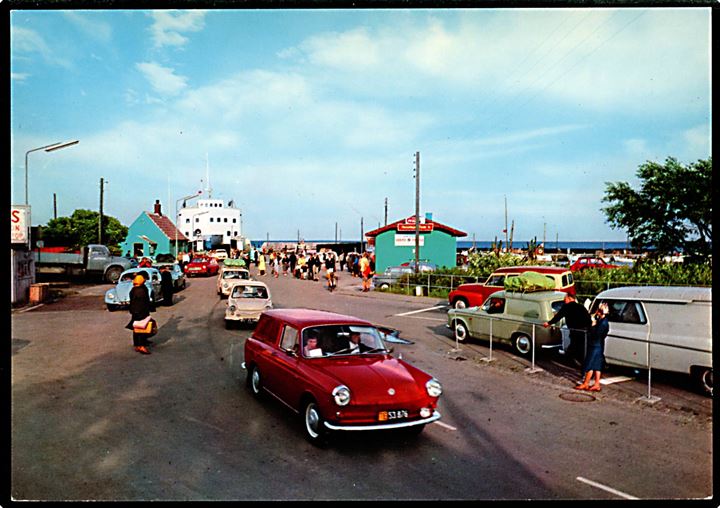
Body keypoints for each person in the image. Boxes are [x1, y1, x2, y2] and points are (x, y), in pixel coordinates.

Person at [543, 293, 592, 364]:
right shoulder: (581, 307)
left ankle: (577, 362)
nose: (564, 300)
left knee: (574, 346)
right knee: (582, 347)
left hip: (575, 330)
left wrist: (548, 323)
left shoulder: (566, 307)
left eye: (565, 298)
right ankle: (582, 362)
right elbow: (588, 318)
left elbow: (558, 317)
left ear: (569, 298)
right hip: (585, 330)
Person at [575, 303, 610, 391]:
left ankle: (586, 383)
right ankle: (596, 384)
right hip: (599, 345)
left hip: (595, 345)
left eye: (598, 311)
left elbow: (596, 334)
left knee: (589, 363)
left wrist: (593, 325)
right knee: (596, 365)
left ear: (600, 312)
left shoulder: (602, 323)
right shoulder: (603, 321)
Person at [127, 274, 153, 354]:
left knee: (136, 328)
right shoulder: (140, 291)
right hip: (141, 312)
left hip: (135, 311)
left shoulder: (133, 289)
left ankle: (137, 345)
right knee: (142, 329)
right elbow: (143, 303)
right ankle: (141, 345)